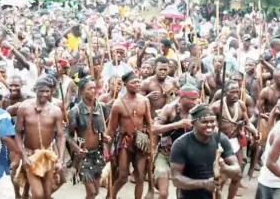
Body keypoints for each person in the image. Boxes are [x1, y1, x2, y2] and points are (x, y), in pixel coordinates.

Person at [170, 103, 240, 199]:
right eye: (205, 122)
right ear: (193, 123)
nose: (210, 125)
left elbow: (237, 170)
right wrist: (204, 184)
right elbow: (176, 179)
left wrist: (225, 168)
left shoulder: (220, 139)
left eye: (212, 121)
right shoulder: (181, 144)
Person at [14, 77, 66, 199]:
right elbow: (17, 133)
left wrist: (61, 159)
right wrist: (23, 156)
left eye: (47, 91)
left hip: (48, 155)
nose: (44, 94)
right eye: (41, 91)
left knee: (47, 195)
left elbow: (60, 136)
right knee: (38, 194)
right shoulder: (24, 108)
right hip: (31, 156)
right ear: (35, 90)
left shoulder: (56, 111)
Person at [106, 71, 154, 199]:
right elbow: (111, 129)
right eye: (134, 82)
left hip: (141, 141)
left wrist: (151, 144)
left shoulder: (144, 101)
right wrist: (108, 150)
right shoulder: (118, 104)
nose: (137, 84)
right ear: (125, 84)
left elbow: (149, 124)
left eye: (138, 82)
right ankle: (112, 196)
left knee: (140, 175)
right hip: (125, 141)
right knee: (122, 176)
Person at [152, 83, 199, 199]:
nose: (195, 102)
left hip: (185, 157)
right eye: (191, 99)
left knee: (183, 192)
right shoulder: (170, 109)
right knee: (163, 193)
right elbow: (154, 129)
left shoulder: (197, 111)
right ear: (181, 98)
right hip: (165, 154)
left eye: (196, 99)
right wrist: (176, 125)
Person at [67, 76, 111, 199]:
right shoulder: (74, 111)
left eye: (94, 88)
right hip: (83, 154)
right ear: (81, 91)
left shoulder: (102, 107)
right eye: (89, 89)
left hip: (98, 153)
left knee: (96, 191)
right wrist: (76, 148)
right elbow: (68, 135)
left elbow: (103, 129)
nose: (93, 91)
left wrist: (105, 137)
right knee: (91, 192)